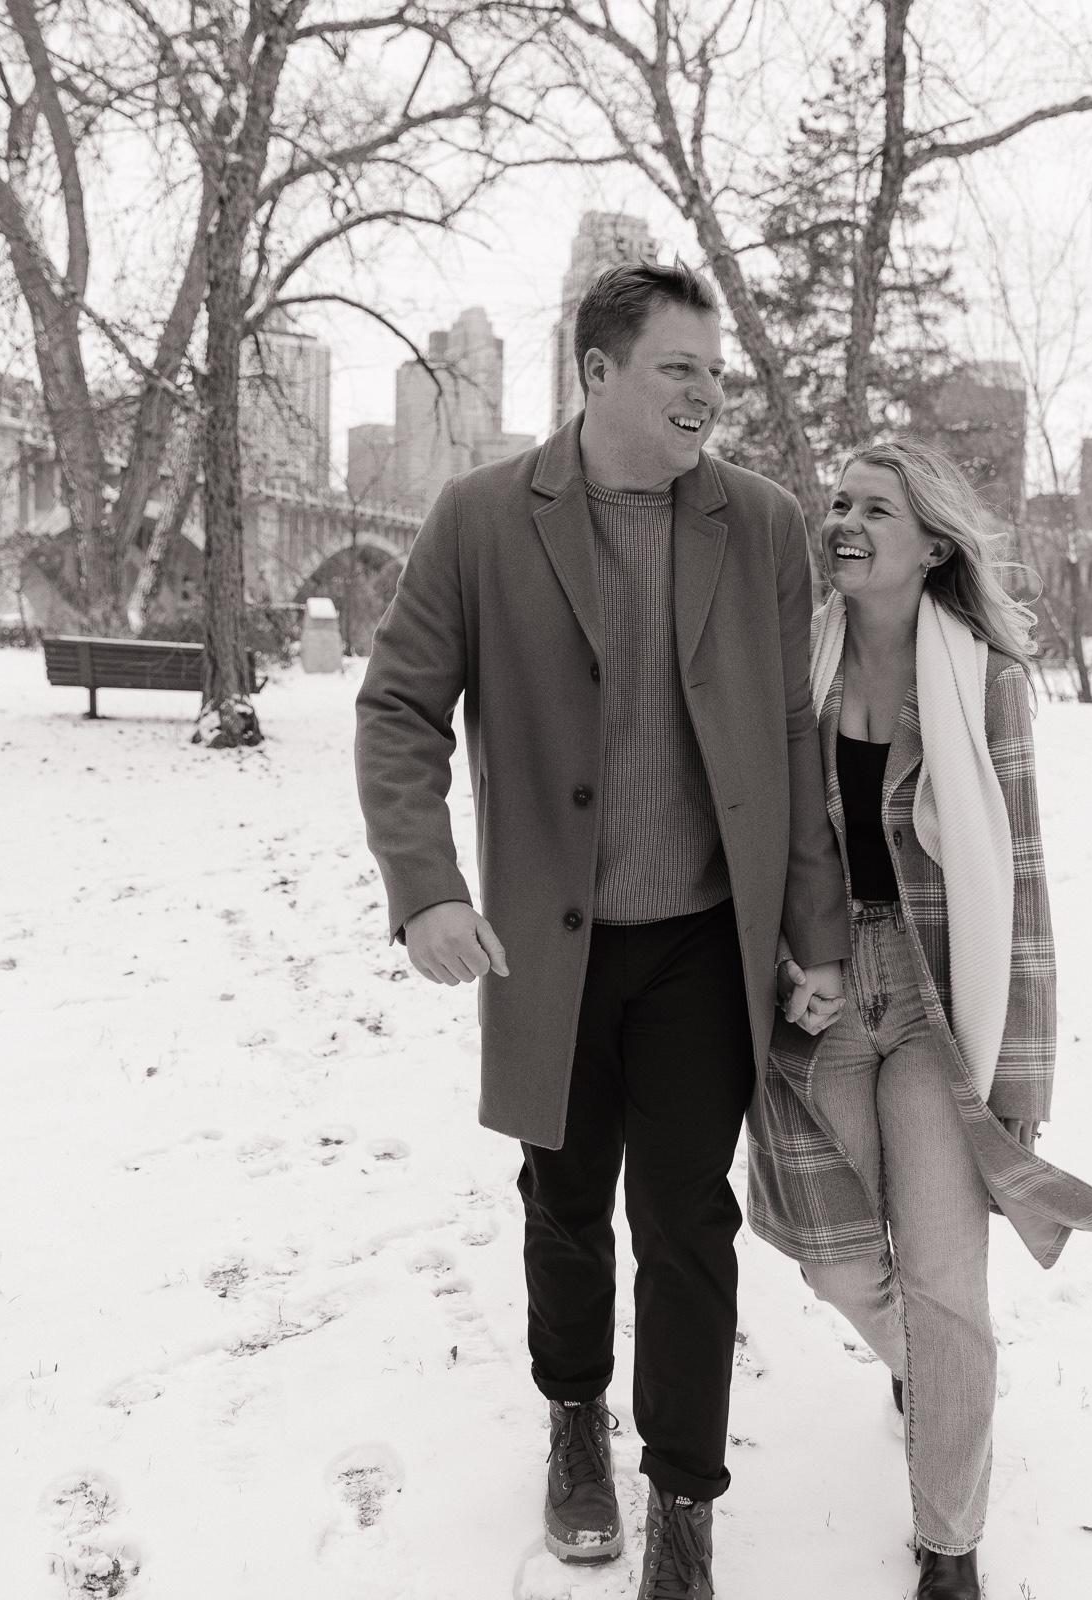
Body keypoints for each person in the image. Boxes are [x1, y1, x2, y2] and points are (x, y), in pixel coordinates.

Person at [354, 261, 849, 1600]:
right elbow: (398, 709)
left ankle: (684, 1500)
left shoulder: (761, 523)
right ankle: (575, 1413)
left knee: (686, 1219)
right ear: (596, 372)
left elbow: (792, 741)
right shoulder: (479, 519)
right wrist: (427, 886)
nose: (707, 394)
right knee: (565, 1202)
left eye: (716, 373)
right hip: (549, 943)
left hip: (703, 942)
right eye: (680, 369)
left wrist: (813, 935)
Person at [745, 437, 1092, 1600]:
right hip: (818, 994)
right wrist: (786, 963)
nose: (843, 521)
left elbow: (1021, 879)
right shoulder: (794, 663)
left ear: (930, 545)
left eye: (875, 508)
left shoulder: (984, 681)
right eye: (837, 502)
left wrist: (1021, 1079)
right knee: (833, 1262)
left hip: (937, 1005)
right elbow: (758, 842)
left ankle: (951, 1541)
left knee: (942, 1278)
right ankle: (935, 1379)